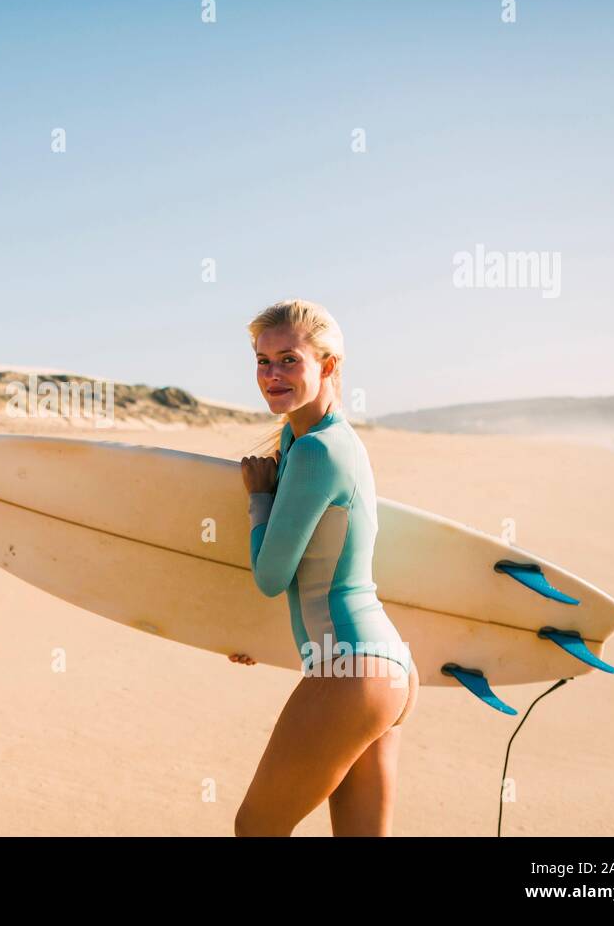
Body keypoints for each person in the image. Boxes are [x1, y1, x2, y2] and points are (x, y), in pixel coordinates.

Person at [232, 299, 418, 837]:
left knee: (256, 829)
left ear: (328, 365)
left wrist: (259, 499)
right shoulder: (306, 440)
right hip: (387, 667)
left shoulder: (316, 452)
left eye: (289, 359)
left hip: (349, 671)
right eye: (262, 362)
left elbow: (272, 578)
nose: (271, 375)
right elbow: (321, 576)